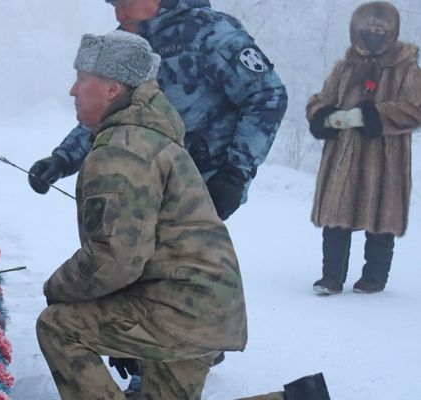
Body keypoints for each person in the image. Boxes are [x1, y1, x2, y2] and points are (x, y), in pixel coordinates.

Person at [36, 29, 329, 400]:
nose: (73, 90)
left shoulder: (123, 149)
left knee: (59, 326)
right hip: (203, 306)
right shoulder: (148, 135)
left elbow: (115, 259)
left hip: (177, 309)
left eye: (82, 78)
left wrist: (57, 289)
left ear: (112, 88)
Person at [28, 0, 287, 222]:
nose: (119, 15)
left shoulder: (210, 32)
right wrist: (62, 160)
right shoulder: (125, 44)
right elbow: (106, 109)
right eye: (114, 6)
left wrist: (235, 174)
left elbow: (268, 96)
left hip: (197, 193)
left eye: (125, 4)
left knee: (185, 263)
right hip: (135, 189)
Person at [307, 1, 421, 295]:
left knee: (381, 219)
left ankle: (374, 278)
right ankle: (331, 277)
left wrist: (374, 116)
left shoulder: (406, 67)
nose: (373, 32)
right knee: (335, 217)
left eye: (380, 29)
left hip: (385, 157)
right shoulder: (344, 66)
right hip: (342, 155)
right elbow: (320, 99)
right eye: (368, 27)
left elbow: (416, 109)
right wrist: (325, 115)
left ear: (391, 31)